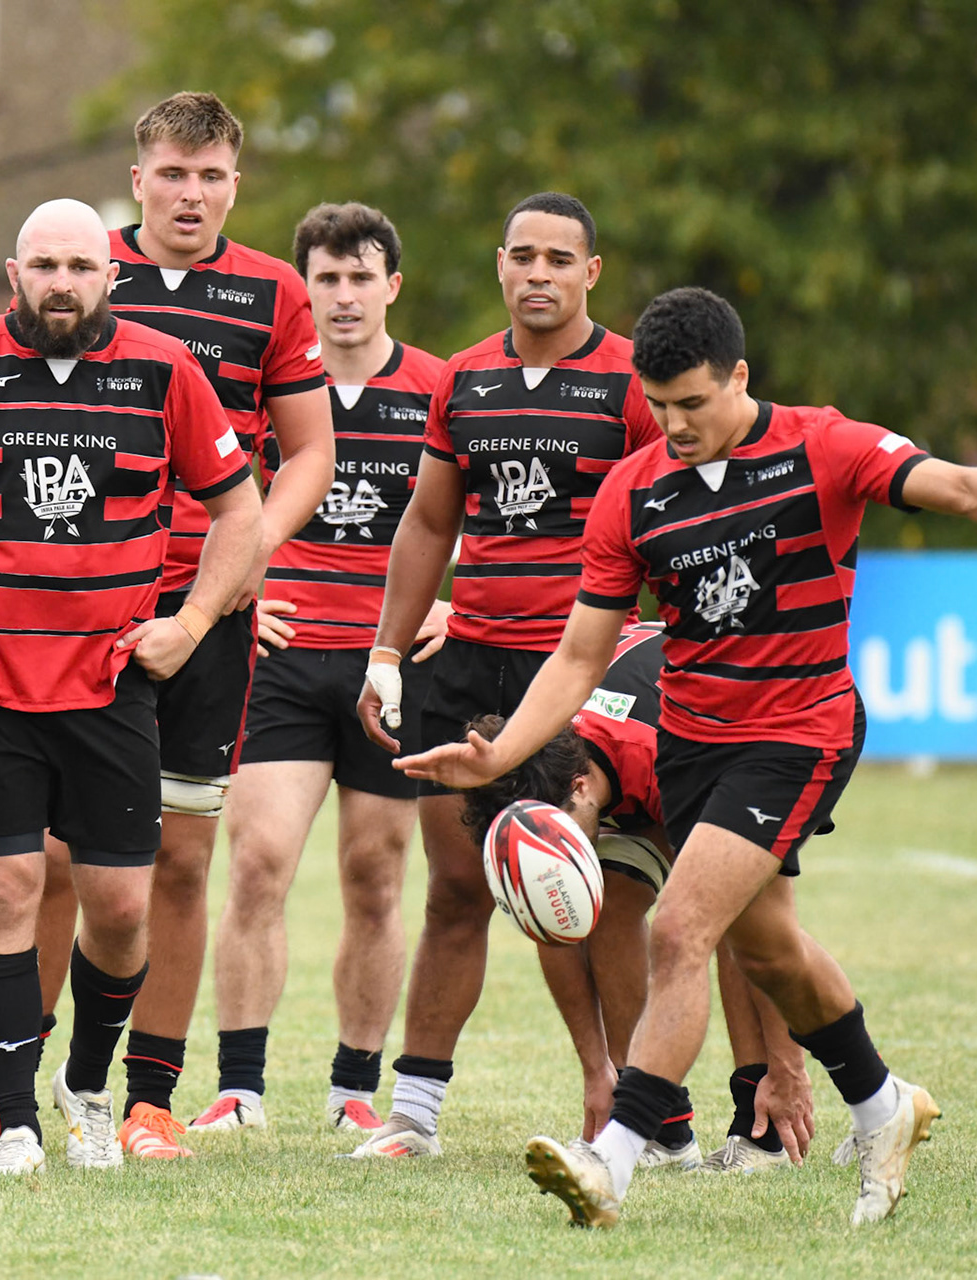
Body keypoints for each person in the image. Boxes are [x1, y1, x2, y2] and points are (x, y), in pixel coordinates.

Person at [397, 286, 977, 1226]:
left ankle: (615, 1159)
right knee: (768, 950)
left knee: (679, 928)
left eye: (694, 402)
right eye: (658, 406)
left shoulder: (822, 444)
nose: (675, 424)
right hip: (693, 738)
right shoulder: (634, 491)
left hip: (800, 726)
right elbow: (579, 656)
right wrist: (499, 761)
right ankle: (882, 1104)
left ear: (740, 376)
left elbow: (959, 483)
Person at [0, 199, 262, 1176]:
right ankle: (16, 1120)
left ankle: (86, 1083)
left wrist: (189, 624)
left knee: (117, 909)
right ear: (11, 272)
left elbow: (240, 510)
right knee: (6, 894)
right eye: (43, 265)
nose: (60, 281)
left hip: (113, 683)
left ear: (112, 274)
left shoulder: (165, 369)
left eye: (79, 264)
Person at [15, 90, 331, 1161]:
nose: (191, 193)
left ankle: (147, 1098)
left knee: (184, 861)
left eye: (212, 175)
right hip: (83, 607)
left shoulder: (273, 293)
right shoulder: (72, 265)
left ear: (234, 184)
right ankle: (13, 1085)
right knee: (58, 857)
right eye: (173, 172)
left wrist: (243, 558)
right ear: (138, 177)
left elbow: (309, 457)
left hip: (207, 616)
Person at [348, 192, 660, 1158]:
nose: (538, 273)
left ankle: (624, 1097)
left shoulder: (629, 384)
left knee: (573, 887)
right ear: (498, 264)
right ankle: (416, 1117)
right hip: (470, 661)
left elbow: (670, 513)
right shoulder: (467, 379)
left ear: (590, 273)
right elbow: (430, 525)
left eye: (559, 259)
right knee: (456, 890)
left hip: (579, 669)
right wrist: (388, 652)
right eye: (522, 256)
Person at [189, 203, 448, 1139]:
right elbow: (206, 506)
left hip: (391, 665)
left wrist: (450, 602)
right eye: (326, 279)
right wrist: (225, 602)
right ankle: (240, 1090)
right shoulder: (263, 392)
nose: (343, 296)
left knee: (375, 876)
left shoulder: (438, 389)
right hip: (282, 658)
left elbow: (482, 517)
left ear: (392, 286)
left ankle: (350, 1088)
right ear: (302, 287)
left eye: (360, 276)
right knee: (256, 862)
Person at [457, 622, 815, 1171]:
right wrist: (596, 1069)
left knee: (734, 916)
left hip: (780, 718)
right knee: (609, 905)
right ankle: (658, 1125)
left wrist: (787, 1067)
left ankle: (766, 1129)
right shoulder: (549, 759)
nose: (555, 856)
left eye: (558, 838)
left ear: (578, 789)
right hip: (643, 752)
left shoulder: (662, 755)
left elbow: (769, 912)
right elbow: (556, 925)